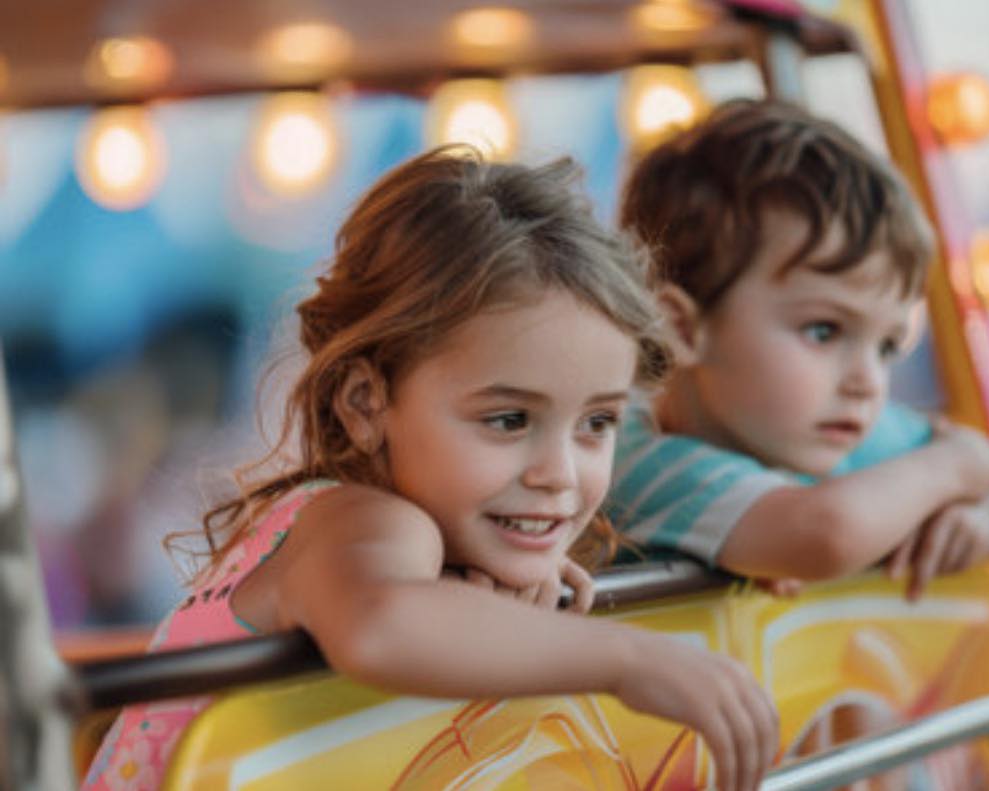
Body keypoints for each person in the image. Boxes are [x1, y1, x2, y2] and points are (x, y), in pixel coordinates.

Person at [81, 148, 778, 791]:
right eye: (508, 419)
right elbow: (379, 623)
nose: (560, 474)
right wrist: (628, 659)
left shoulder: (394, 551)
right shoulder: (358, 520)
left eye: (597, 423)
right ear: (365, 402)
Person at [610, 99, 989, 601]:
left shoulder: (830, 430)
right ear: (681, 328)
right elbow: (828, 533)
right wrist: (963, 465)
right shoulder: (635, 460)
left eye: (887, 346)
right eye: (824, 331)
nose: (867, 382)